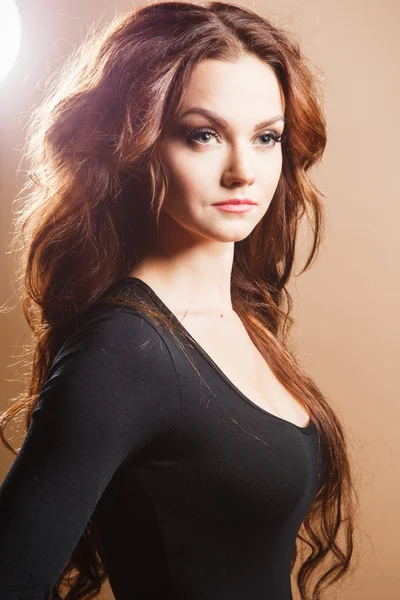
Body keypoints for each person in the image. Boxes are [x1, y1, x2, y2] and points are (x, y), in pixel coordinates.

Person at [0, 1, 359, 599]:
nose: (244, 171)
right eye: (203, 135)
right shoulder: (127, 348)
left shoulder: (242, 318)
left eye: (267, 137)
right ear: (136, 145)